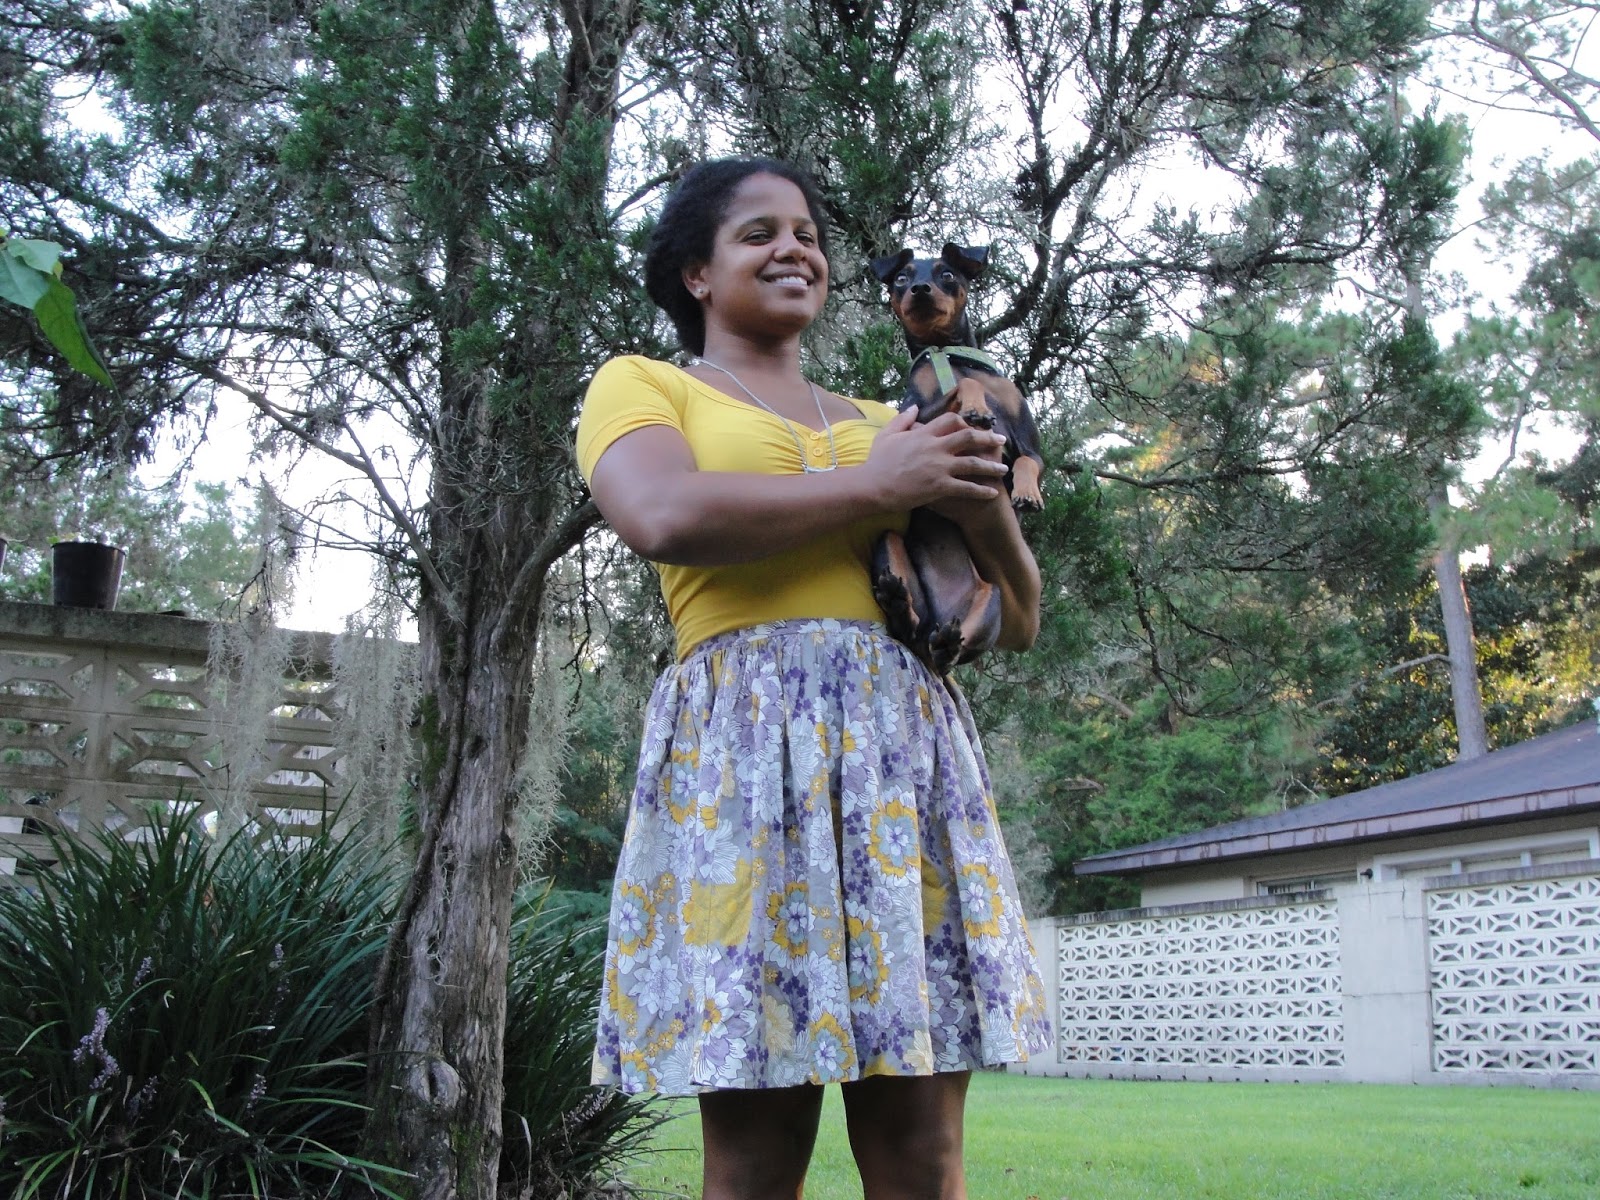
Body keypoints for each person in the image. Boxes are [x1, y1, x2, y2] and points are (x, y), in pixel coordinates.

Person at [577, 157, 1050, 1200]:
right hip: (747, 761)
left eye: (807, 234)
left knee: (922, 1151)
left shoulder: (896, 417)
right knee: (755, 1155)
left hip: (900, 766)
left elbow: (1015, 619)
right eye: (758, 234)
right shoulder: (646, 385)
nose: (794, 249)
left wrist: (984, 513)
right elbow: (660, 514)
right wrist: (878, 484)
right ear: (697, 273)